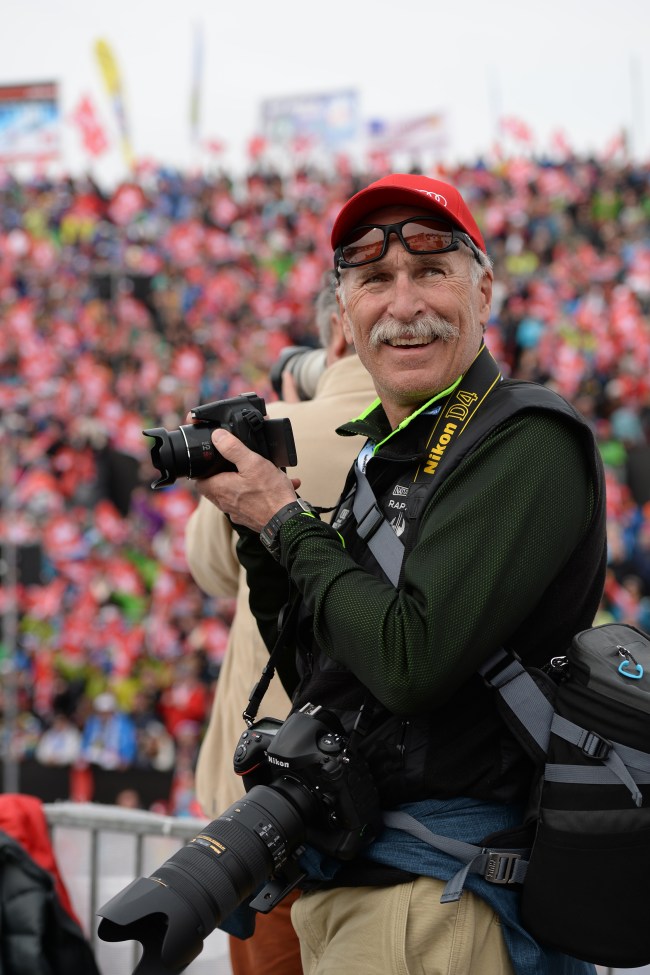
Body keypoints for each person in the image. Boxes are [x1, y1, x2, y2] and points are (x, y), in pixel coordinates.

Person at [193, 174, 607, 975]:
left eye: (431, 269)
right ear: (345, 314)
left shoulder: (528, 437)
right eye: (375, 278)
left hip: (440, 899)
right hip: (370, 888)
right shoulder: (384, 455)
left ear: (483, 290)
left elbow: (410, 662)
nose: (404, 302)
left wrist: (286, 519)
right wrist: (258, 531)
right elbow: (322, 671)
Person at [185, 273, 376, 975]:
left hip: (272, 794)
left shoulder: (269, 434)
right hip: (389, 803)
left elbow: (211, 568)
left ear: (334, 335)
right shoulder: (458, 434)